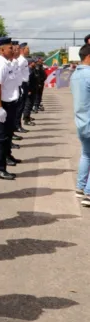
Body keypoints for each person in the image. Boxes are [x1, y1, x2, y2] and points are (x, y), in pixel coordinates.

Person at [0, 37, 20, 181]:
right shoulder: (0, 65)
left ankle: (4, 163)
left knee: (7, 136)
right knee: (0, 138)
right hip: (3, 105)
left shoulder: (7, 63)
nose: (13, 50)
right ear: (2, 50)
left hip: (11, 103)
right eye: (10, 48)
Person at [71, 44, 90, 206]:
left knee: (86, 154)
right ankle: (89, 194)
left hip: (81, 121)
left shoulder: (75, 74)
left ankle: (81, 187)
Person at [14, 42, 30, 133]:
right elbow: (17, 73)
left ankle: (18, 124)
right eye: (27, 49)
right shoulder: (21, 60)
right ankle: (17, 125)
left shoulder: (23, 59)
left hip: (24, 83)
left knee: (22, 106)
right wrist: (20, 85)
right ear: (22, 49)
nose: (29, 51)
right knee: (20, 107)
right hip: (21, 83)